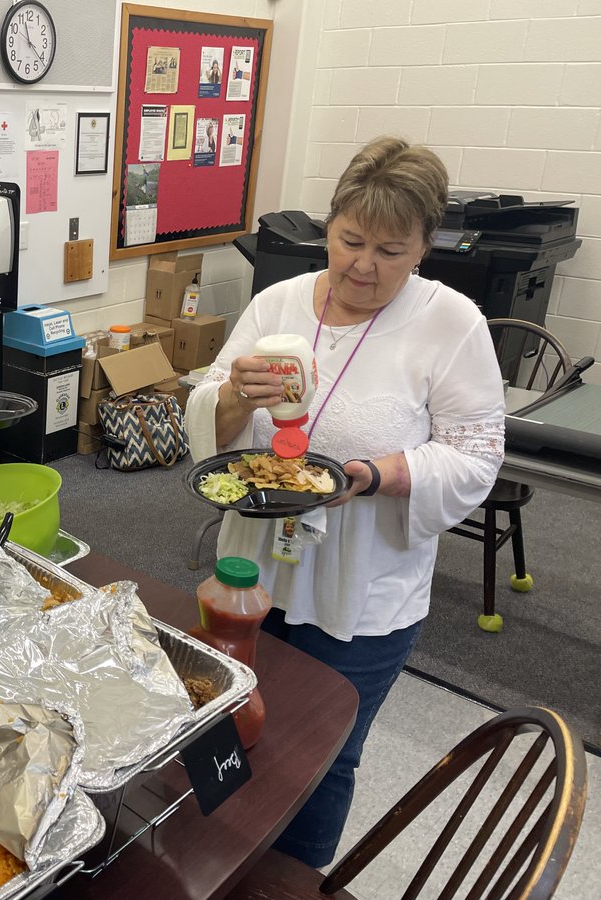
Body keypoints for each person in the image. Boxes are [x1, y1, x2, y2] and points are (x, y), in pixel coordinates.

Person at [183, 136, 505, 866]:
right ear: (326, 226)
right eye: (350, 240)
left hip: (363, 586)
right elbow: (207, 417)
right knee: (227, 715)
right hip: (255, 569)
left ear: (426, 245)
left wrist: (378, 474)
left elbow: (477, 457)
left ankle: (291, 881)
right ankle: (215, 863)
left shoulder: (451, 326)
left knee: (324, 752)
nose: (362, 266)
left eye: (390, 250)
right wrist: (233, 394)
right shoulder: (279, 303)